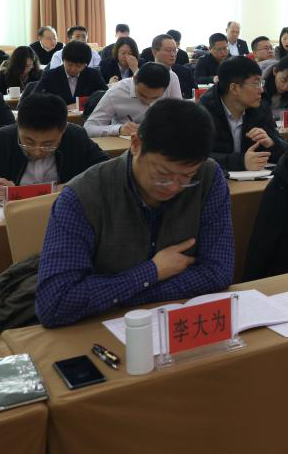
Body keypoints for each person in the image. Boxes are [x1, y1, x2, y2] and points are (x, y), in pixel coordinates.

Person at [35, 99, 232, 327]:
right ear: (136, 144)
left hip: (175, 323)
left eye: (186, 177)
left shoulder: (208, 177)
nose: (173, 187)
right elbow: (55, 303)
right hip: (98, 329)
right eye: (163, 174)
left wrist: (124, 293)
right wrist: (152, 272)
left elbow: (218, 272)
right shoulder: (83, 196)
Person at [0, 91, 107, 205]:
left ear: (63, 130)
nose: (37, 151)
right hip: (7, 224)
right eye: (28, 141)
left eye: (48, 145)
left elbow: (110, 174)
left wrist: (75, 185)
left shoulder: (76, 137)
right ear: (18, 126)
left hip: (64, 216)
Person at [199, 56, 288, 172]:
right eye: (256, 84)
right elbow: (195, 157)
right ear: (234, 88)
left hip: (255, 179)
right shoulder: (203, 113)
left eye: (261, 83)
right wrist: (241, 162)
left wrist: (272, 144)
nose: (261, 90)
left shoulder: (260, 108)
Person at [85, 62, 184, 137]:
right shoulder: (117, 91)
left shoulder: (172, 79)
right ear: (134, 79)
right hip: (125, 147)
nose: (148, 102)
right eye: (142, 95)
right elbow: (89, 128)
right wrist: (119, 129)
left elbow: (180, 119)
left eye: (155, 98)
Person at [28, 41, 105, 106]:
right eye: (69, 65)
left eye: (78, 66)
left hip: (85, 117)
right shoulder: (50, 75)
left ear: (86, 65)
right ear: (63, 60)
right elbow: (33, 99)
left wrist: (79, 104)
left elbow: (104, 96)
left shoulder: (93, 75)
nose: (73, 69)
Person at [151, 33, 194, 98]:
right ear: (154, 52)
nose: (173, 54)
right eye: (168, 50)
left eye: (174, 50)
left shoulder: (179, 73)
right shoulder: (146, 74)